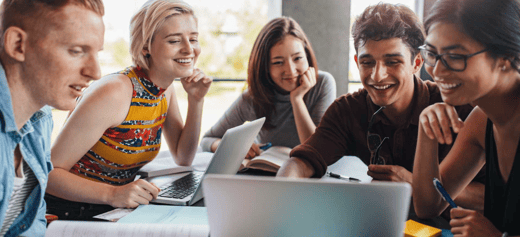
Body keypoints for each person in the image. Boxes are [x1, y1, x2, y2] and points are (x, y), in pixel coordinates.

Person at [276, 3, 484, 212]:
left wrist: (413, 183)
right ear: (357, 62)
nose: (377, 75)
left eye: (392, 62)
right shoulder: (347, 110)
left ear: (417, 63)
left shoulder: (459, 108)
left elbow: (492, 197)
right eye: (367, 63)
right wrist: (279, 199)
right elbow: (300, 162)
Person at [46, 0, 212, 220]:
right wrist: (113, 194)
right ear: (146, 47)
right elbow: (49, 174)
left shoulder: (165, 88)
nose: (189, 49)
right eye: (174, 40)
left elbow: (184, 157)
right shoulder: (114, 92)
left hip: (112, 209)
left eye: (193, 39)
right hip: (69, 212)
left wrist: (196, 100)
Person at [412, 0, 520, 236]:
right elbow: (428, 205)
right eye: (432, 53)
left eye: (455, 56)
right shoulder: (482, 120)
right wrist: (426, 128)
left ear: (506, 56)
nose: (437, 71)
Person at [0, 0, 104, 235]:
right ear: (18, 44)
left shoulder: (40, 116)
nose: (95, 72)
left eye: (96, 53)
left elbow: (33, 224)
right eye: (77, 51)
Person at [200, 17, 336, 159]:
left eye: (297, 58)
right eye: (278, 62)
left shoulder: (323, 83)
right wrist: (236, 147)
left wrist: (297, 99)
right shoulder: (252, 98)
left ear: (307, 55)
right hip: (266, 174)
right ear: (265, 67)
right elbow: (207, 141)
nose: (290, 70)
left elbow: (316, 149)